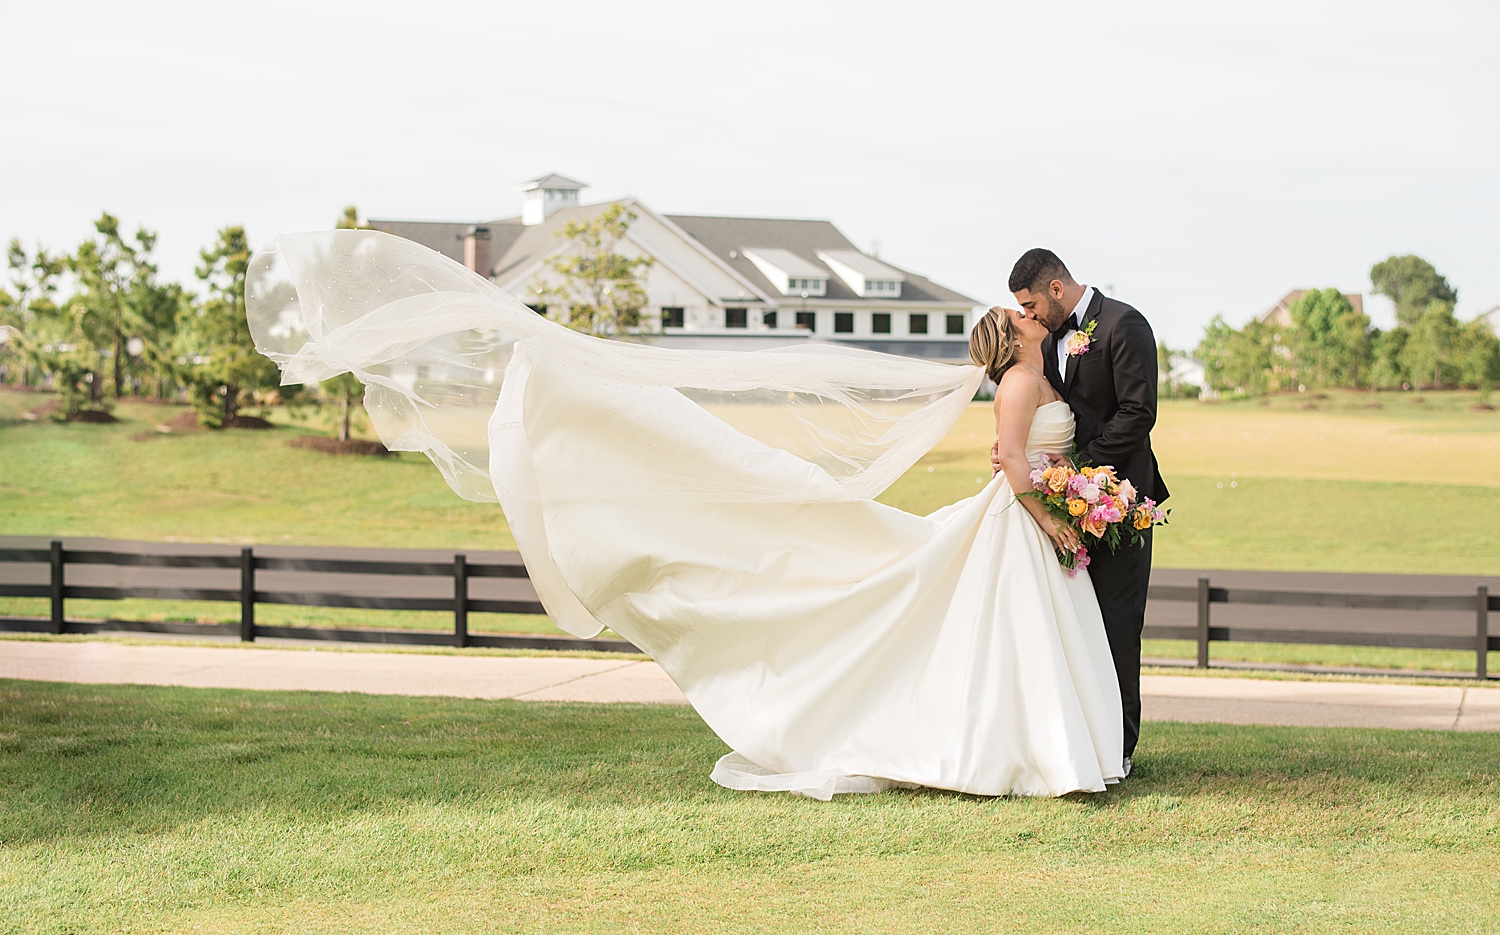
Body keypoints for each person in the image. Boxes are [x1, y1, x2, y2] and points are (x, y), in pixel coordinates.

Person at [246, 229, 1124, 800]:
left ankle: (1059, 750)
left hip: (1031, 520)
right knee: (998, 629)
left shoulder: (1040, 371)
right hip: (1021, 521)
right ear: (1020, 333)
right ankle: (1032, 753)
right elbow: (1012, 459)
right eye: (1024, 311)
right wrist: (1052, 516)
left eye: (1027, 305)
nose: (1029, 313)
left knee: (1016, 636)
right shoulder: (1020, 382)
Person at [995, 248, 1169, 775]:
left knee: (1117, 624)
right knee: (1071, 626)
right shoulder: (1047, 346)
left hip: (1121, 503)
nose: (1027, 315)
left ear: (1054, 289)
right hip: (1064, 505)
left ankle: (1119, 747)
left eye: (1029, 303)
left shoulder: (1124, 324)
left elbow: (1139, 413)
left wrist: (1078, 471)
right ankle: (1077, 739)